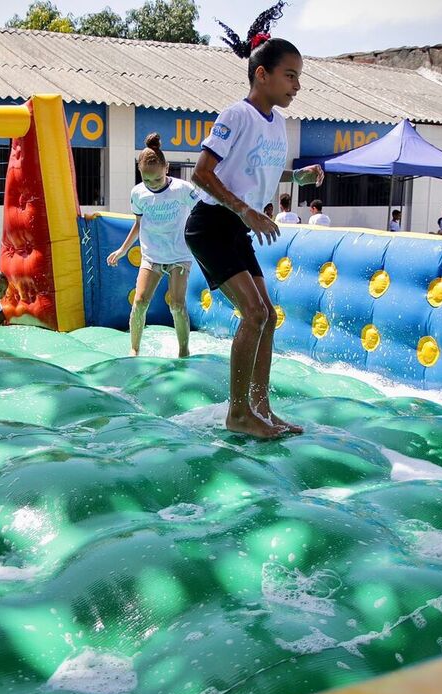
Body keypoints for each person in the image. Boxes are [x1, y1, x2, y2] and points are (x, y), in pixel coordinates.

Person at [186, 2, 323, 438]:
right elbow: (203, 173)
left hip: (236, 227)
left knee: (268, 315)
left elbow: (251, 168)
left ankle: (260, 408)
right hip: (210, 225)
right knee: (255, 313)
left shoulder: (277, 124)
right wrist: (245, 209)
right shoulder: (236, 115)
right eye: (291, 74)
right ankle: (238, 413)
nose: (297, 85)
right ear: (261, 73)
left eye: (299, 76)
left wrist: (294, 175)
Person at [106, 132, 199, 358]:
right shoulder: (138, 193)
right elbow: (139, 224)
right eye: (146, 180)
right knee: (139, 302)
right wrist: (123, 249)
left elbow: (201, 214)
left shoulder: (183, 189)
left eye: (157, 179)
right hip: (152, 255)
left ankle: (183, 350)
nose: (152, 185)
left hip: (178, 255)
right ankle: (134, 348)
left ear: (167, 167)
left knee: (177, 305)